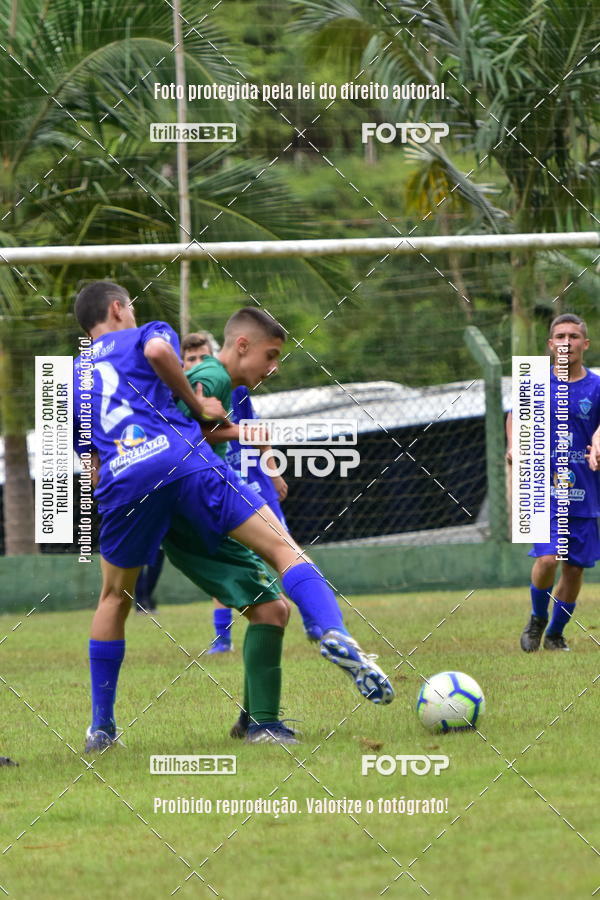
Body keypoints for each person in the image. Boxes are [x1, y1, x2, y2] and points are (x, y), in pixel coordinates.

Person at [73, 283, 393, 753]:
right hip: (183, 463)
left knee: (114, 599)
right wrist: (199, 403)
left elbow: (89, 458)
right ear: (119, 308)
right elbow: (162, 349)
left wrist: (112, 495)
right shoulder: (147, 335)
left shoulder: (74, 376)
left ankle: (102, 729)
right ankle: (330, 631)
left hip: (123, 485)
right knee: (283, 549)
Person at [164, 308, 394, 737]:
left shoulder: (226, 386)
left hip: (177, 513)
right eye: (270, 356)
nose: (272, 368)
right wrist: (242, 435)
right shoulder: (212, 375)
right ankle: (329, 631)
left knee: (270, 609)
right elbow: (186, 431)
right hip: (201, 488)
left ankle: (256, 722)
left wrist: (248, 442)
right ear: (242, 345)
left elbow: (195, 426)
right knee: (286, 550)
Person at [179, 332, 323, 654]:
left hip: (250, 474)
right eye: (192, 360)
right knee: (229, 555)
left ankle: (315, 617)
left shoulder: (235, 386)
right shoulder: (183, 394)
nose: (200, 365)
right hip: (213, 480)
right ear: (181, 363)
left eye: (205, 357)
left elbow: (253, 428)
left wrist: (272, 471)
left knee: (282, 546)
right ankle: (223, 637)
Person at [507, 314, 600, 652]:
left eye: (573, 336)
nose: (566, 342)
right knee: (548, 559)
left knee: (574, 570)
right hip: (543, 488)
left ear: (584, 344)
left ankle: (555, 634)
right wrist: (514, 445)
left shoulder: (597, 385)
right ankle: (536, 618)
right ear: (550, 345)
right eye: (559, 336)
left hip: (585, 489)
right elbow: (515, 417)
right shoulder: (536, 383)